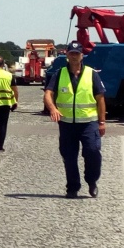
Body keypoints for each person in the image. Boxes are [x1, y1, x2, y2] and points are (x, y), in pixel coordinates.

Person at [43, 41, 106, 199]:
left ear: (82, 55)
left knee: (92, 152)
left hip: (88, 123)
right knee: (69, 157)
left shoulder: (92, 74)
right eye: (71, 53)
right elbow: (48, 94)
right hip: (67, 124)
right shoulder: (59, 74)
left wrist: (102, 122)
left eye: (76, 53)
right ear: (67, 55)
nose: (74, 56)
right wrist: (53, 108)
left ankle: (91, 181)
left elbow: (100, 99)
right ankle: (72, 187)